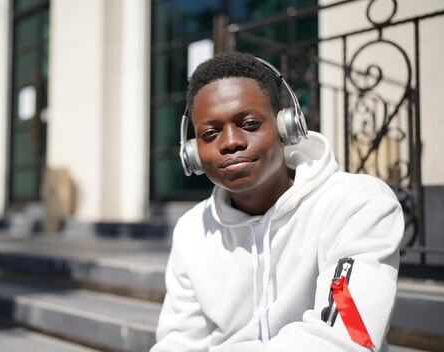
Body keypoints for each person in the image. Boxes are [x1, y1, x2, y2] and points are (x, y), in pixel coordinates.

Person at [151, 52, 403, 351]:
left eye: (249, 123)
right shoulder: (192, 230)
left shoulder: (357, 204)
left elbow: (349, 337)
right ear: (193, 152)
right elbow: (178, 342)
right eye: (210, 133)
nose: (231, 141)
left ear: (287, 127)